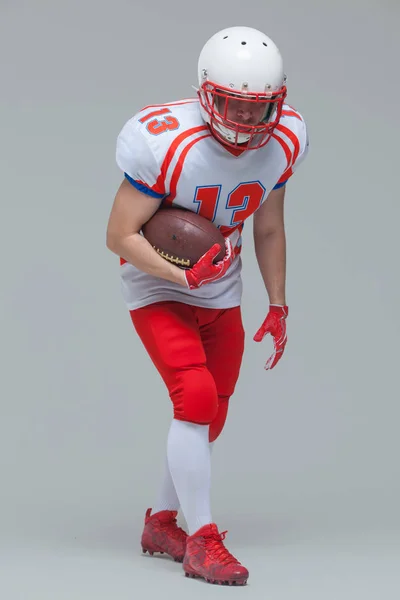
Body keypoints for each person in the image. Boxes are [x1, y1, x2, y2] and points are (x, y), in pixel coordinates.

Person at [106, 25, 309, 586]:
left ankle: (162, 522)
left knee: (210, 413)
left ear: (279, 101)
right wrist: (179, 272)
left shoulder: (285, 139)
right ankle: (203, 540)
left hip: (221, 285)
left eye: (258, 108)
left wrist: (278, 301)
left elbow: (268, 226)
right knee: (192, 395)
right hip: (158, 284)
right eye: (232, 106)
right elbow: (119, 235)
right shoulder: (166, 141)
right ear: (205, 94)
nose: (245, 123)